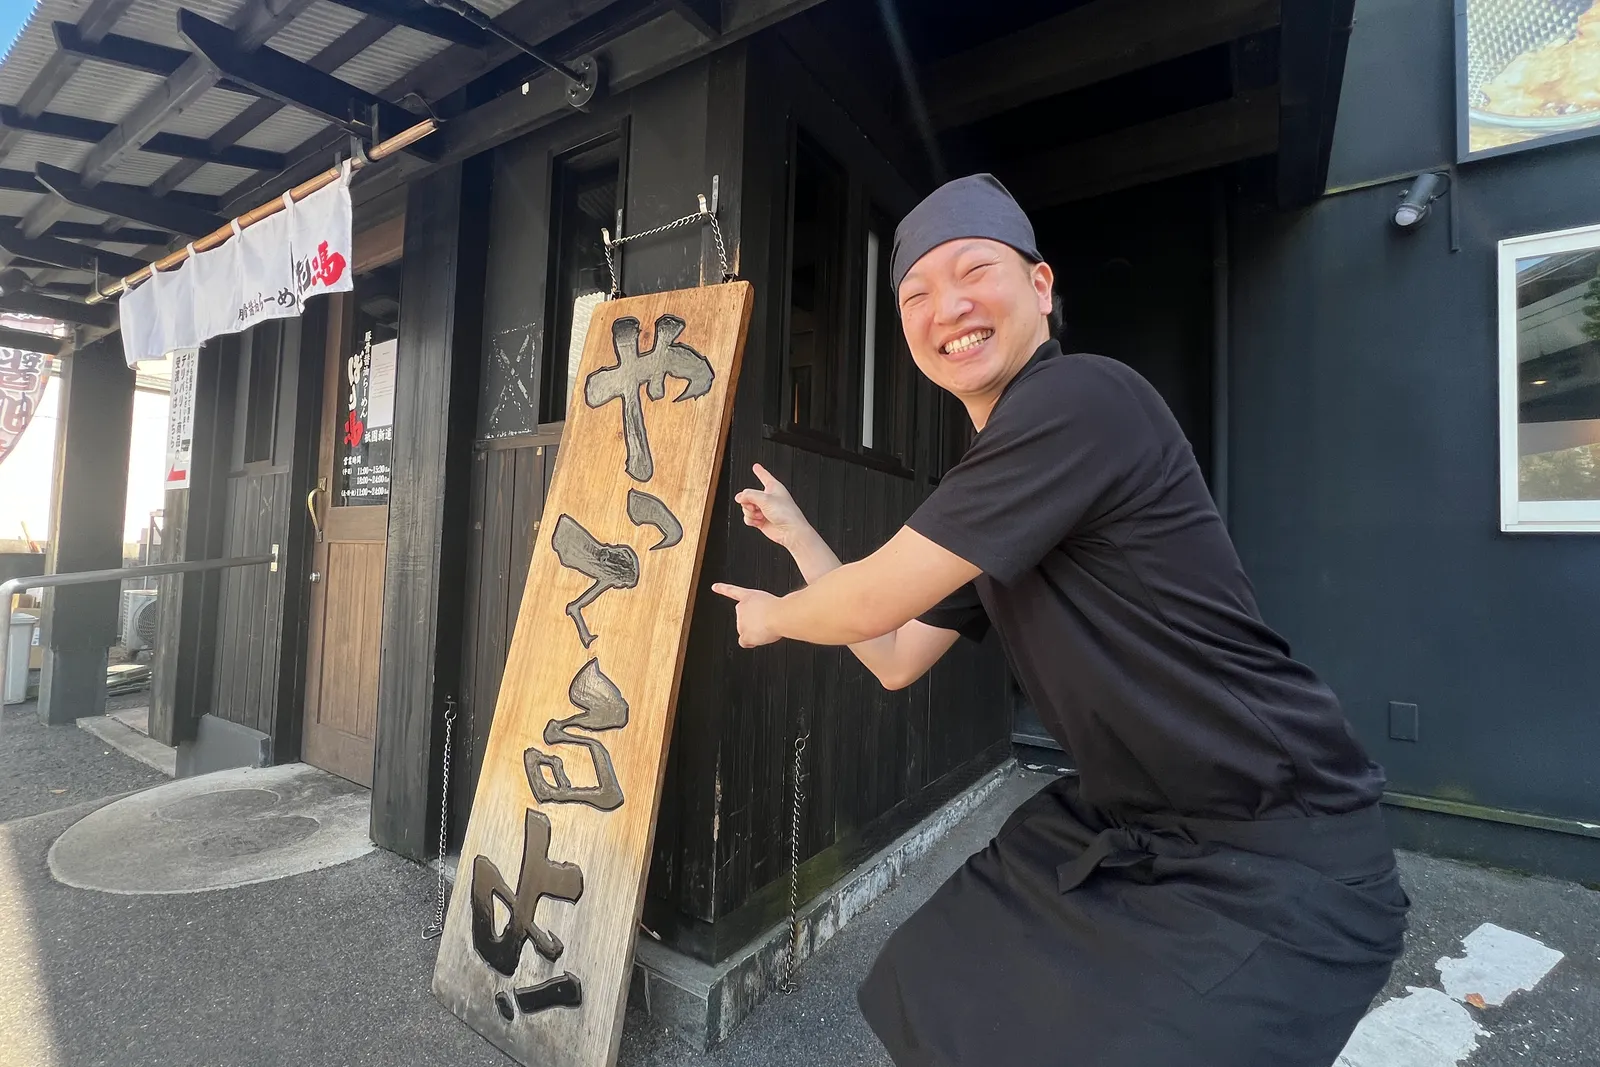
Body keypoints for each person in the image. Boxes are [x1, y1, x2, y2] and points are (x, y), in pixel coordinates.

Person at [711, 174, 1409, 1066]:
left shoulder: (1082, 399)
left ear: (1041, 287)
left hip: (1276, 843)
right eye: (916, 294)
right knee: (938, 979)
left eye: (974, 271)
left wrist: (775, 620)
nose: (947, 306)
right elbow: (889, 651)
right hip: (1143, 830)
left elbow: (876, 597)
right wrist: (804, 542)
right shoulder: (996, 487)